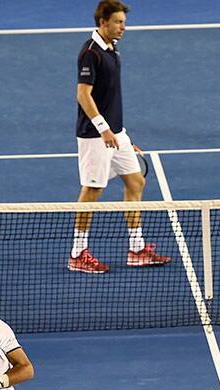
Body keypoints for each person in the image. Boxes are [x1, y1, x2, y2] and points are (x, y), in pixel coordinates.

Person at [69, 0, 171, 273]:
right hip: (95, 135)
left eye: (123, 22)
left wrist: (119, 133)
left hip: (117, 134)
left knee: (135, 181)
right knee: (92, 190)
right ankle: (77, 253)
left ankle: (136, 249)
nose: (123, 27)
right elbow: (83, 95)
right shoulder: (91, 53)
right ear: (103, 22)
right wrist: (103, 128)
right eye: (117, 22)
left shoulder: (112, 48)